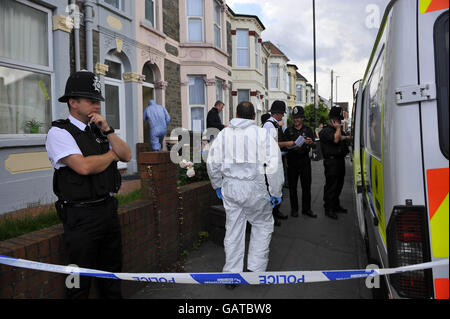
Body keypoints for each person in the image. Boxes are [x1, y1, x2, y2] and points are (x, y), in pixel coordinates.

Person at [45, 70, 132, 299]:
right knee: (77, 280)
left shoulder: (99, 130)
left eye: (98, 101)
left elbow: (127, 155)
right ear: (73, 102)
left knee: (111, 275)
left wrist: (108, 130)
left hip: (107, 209)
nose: (97, 106)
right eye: (92, 101)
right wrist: (112, 156)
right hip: (80, 216)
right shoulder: (59, 132)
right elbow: (83, 167)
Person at [206, 101, 284, 288]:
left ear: (236, 114)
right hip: (255, 189)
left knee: (233, 230)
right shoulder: (261, 134)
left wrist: (217, 184)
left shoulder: (224, 134)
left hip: (231, 188)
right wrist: (276, 191)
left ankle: (232, 275)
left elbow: (212, 163)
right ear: (254, 116)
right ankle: (256, 272)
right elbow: (275, 165)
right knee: (262, 225)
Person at [262, 100, 295, 225]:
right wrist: (289, 143)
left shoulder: (275, 124)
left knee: (277, 186)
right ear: (279, 113)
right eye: (282, 113)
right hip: (271, 162)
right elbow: (271, 145)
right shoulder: (269, 125)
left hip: (277, 160)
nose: (283, 116)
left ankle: (276, 212)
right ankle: (271, 216)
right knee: (272, 188)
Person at [319, 106, 352, 219]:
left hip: (339, 161)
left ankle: (336, 205)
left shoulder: (337, 130)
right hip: (331, 162)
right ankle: (328, 208)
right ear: (332, 119)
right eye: (338, 120)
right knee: (331, 186)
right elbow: (336, 139)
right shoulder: (325, 131)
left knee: (339, 185)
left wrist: (347, 137)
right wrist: (338, 128)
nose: (340, 122)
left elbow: (341, 137)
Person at [284, 106, 317, 218]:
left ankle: (306, 209)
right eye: (294, 117)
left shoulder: (308, 130)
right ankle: (294, 209)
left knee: (306, 186)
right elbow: (284, 147)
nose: (296, 120)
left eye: (298, 117)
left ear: (302, 118)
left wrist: (310, 142)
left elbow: (315, 145)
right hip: (292, 161)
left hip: (304, 161)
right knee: (293, 187)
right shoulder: (288, 130)